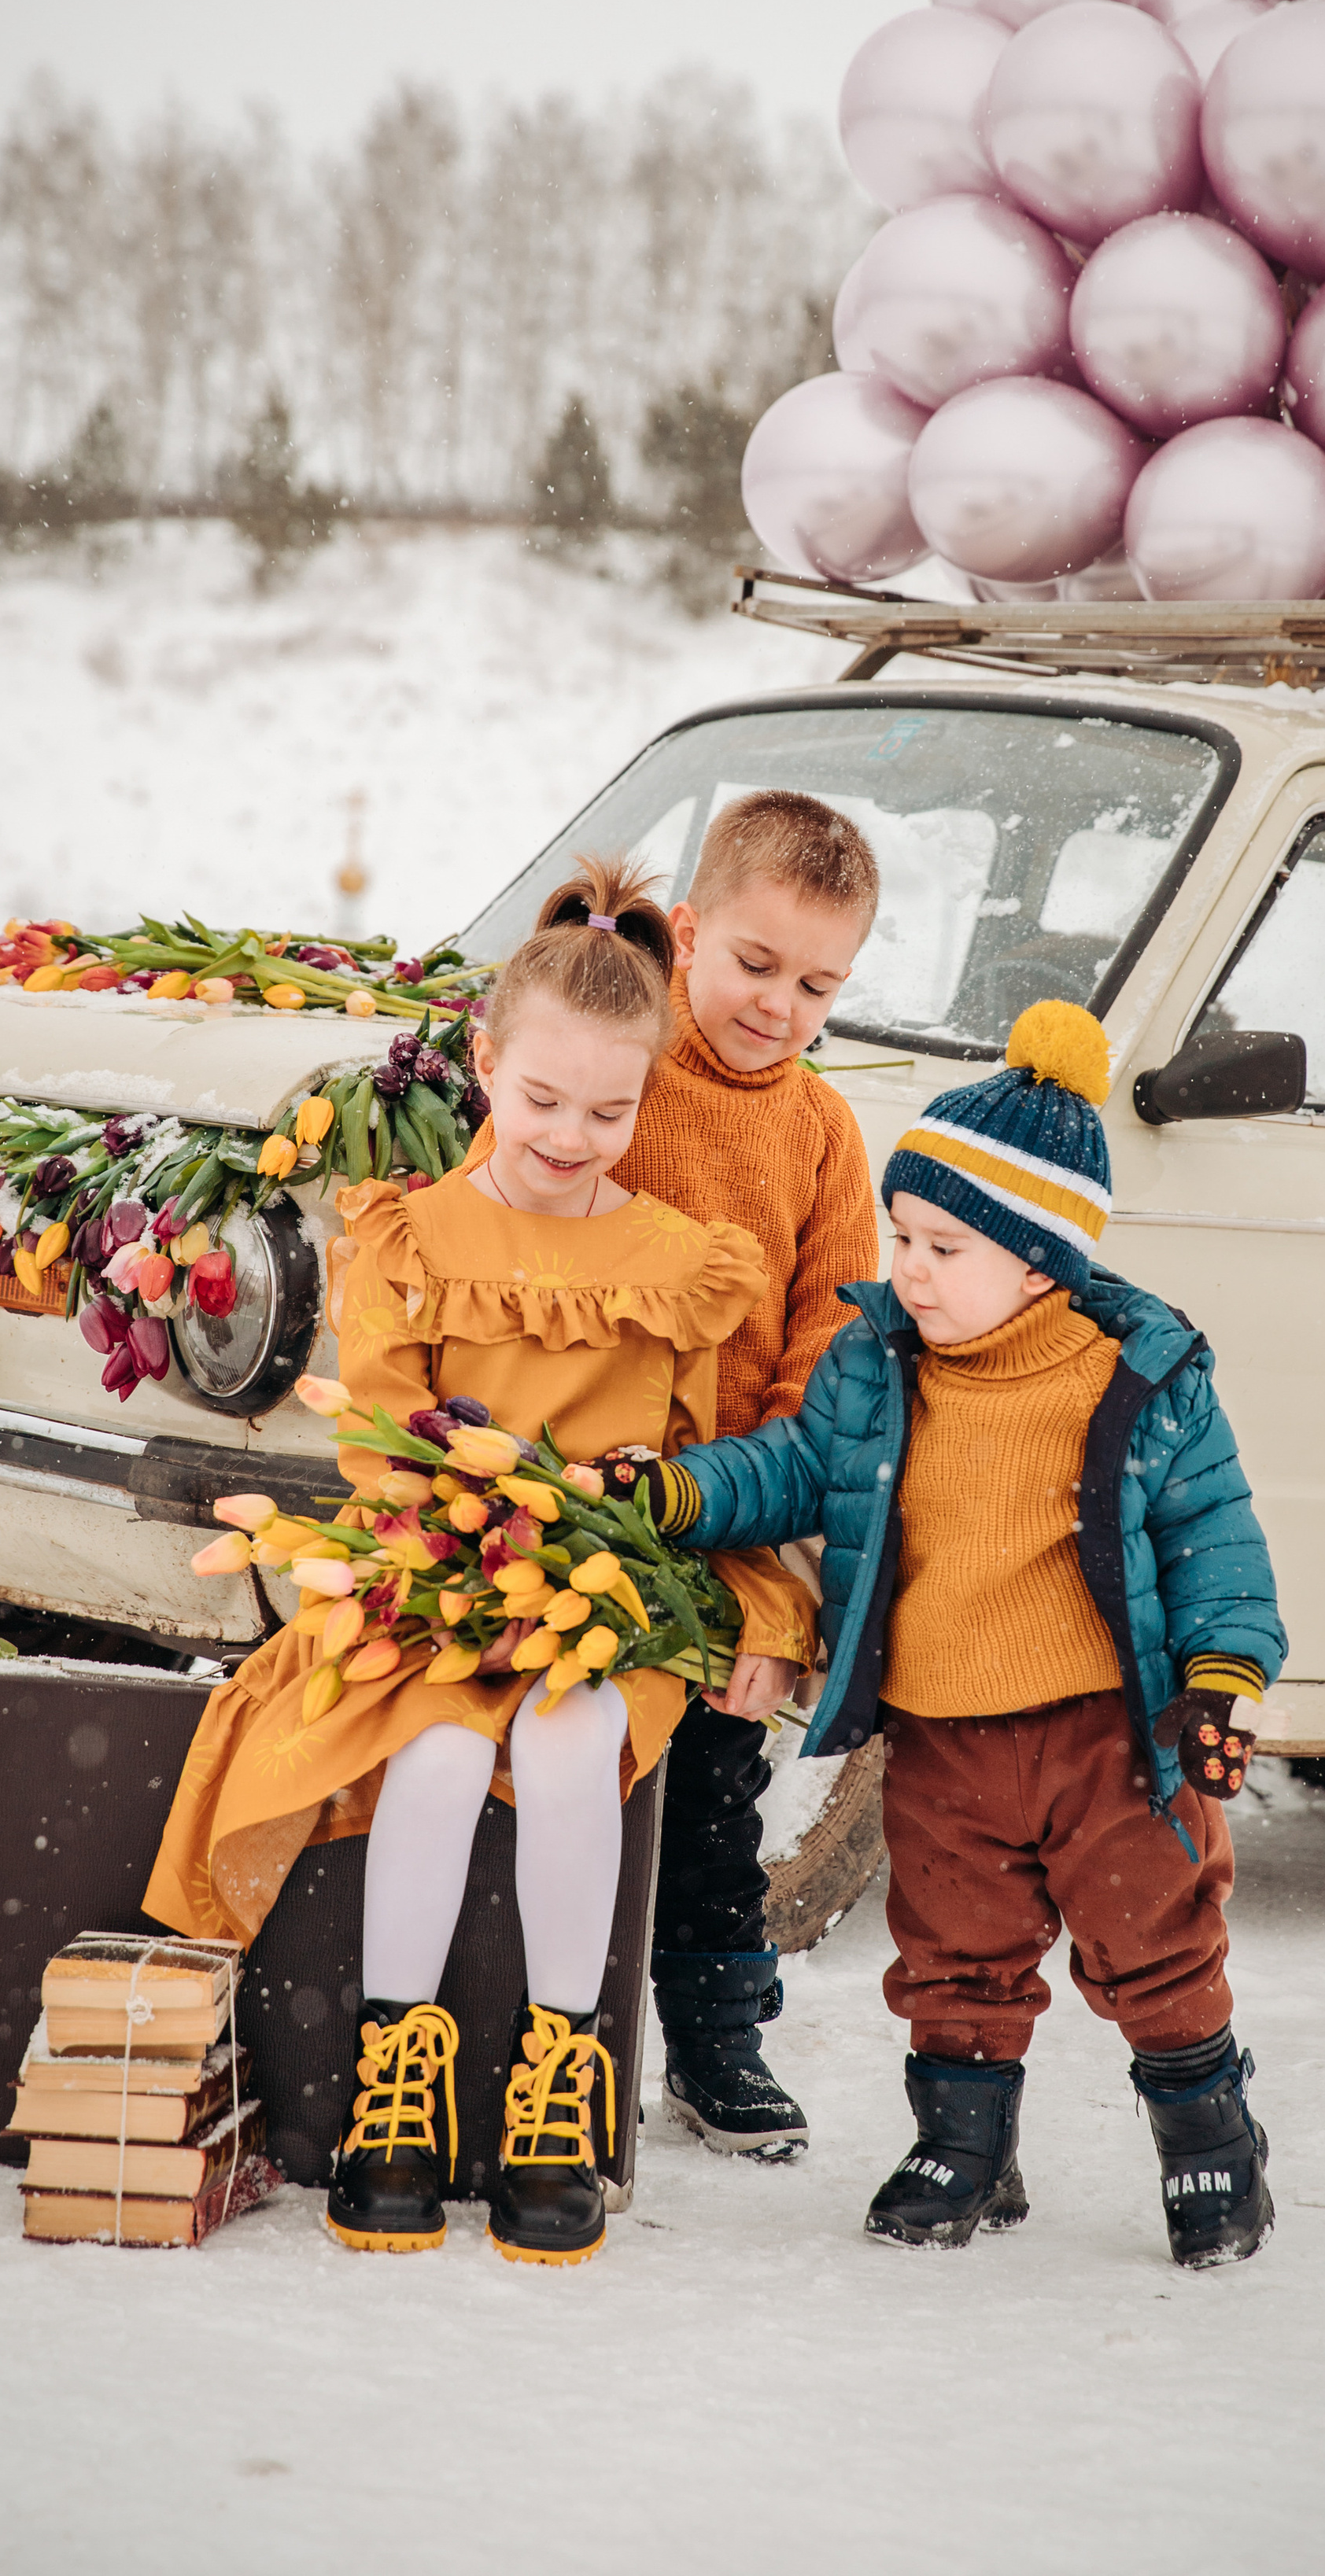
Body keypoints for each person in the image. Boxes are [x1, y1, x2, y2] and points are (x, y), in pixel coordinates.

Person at [143, 857, 816, 2268]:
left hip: (607, 1602)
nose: (573, 1136)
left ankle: (562, 2080)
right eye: (543, 1099)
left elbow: (704, 1468)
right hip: (442, 1579)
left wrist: (696, 1570)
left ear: (648, 1098)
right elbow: (384, 1440)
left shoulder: (685, 1261)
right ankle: (400, 2074)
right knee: (440, 1757)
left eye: (613, 1110)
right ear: (485, 1065)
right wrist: (466, 1526)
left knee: (574, 1743)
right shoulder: (412, 1235)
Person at [610, 1000, 1287, 2269]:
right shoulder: (881, 1369)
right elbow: (793, 1468)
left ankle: (1210, 2137)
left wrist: (1218, 1682)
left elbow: (1216, 1543)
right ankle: (964, 2147)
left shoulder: (1135, 1378)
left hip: (1105, 1736)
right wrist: (685, 1490)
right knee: (953, 1953)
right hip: (944, 1742)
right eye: (904, 1237)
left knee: (1154, 1938)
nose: (909, 1268)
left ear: (1039, 1261)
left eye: (944, 1247)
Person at [494, 788, 882, 2161]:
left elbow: (828, 1353)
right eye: (756, 965)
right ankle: (539, 2030)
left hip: (724, 1511)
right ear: (693, 931)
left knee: (714, 1795)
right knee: (550, 1759)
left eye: (819, 984)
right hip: (570, 1485)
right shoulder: (622, 1071)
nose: (780, 1006)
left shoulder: (825, 1136)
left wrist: (742, 1511)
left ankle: (716, 2035)